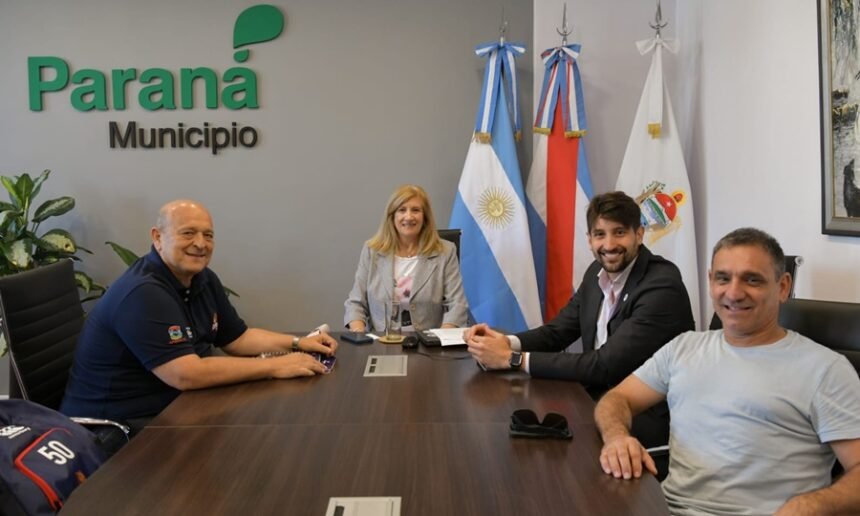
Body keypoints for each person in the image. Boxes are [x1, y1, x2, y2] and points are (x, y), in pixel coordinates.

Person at [595, 228, 860, 515]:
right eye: (723, 278)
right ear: (710, 281)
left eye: (752, 280)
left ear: (783, 287)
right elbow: (616, 399)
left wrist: (811, 505)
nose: (733, 293)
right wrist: (617, 437)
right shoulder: (684, 348)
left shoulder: (825, 370)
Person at [61, 199, 337, 442]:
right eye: (188, 233)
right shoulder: (143, 292)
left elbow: (237, 338)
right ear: (158, 237)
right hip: (115, 428)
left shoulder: (201, 278)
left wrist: (299, 343)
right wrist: (274, 365)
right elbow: (185, 374)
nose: (200, 244)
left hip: (172, 408)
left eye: (208, 235)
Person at [464, 191, 694, 448]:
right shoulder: (597, 272)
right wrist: (505, 342)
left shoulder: (661, 287)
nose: (608, 245)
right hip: (596, 400)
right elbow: (558, 332)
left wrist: (511, 359)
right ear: (589, 239)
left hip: (642, 420)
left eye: (619, 233)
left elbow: (605, 365)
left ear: (639, 235)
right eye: (600, 234)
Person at [345, 184, 468, 332]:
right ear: (392, 216)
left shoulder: (445, 252)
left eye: (415, 210)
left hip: (429, 346)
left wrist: (440, 339)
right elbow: (356, 303)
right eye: (402, 210)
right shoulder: (372, 251)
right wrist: (360, 335)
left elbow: (457, 305)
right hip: (382, 343)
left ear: (425, 217)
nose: (408, 217)